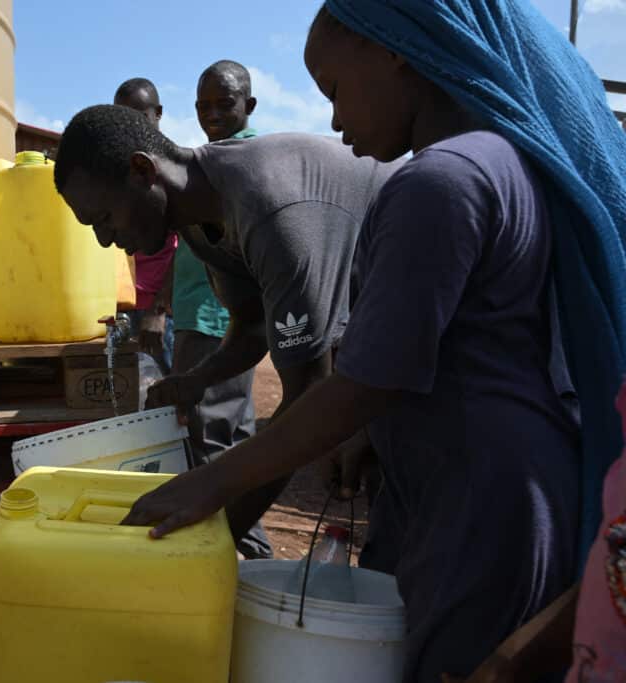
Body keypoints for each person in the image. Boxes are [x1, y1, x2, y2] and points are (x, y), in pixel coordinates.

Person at [123, 0, 626, 677]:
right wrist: (367, 435)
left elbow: (362, 384)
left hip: (475, 507)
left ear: (396, 50)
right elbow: (451, 348)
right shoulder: (493, 161)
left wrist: (211, 483)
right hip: (478, 490)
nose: (333, 118)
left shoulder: (440, 182)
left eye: (334, 89)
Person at [53, 104, 399, 549]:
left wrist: (209, 520)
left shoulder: (271, 207)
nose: (104, 239)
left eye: (104, 218)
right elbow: (253, 327)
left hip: (449, 333)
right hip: (385, 348)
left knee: (419, 533)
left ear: (142, 171)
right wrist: (198, 380)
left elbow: (309, 395)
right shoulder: (198, 217)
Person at [172, 59, 263, 558]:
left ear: (249, 105)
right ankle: (245, 551)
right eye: (203, 106)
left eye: (224, 104)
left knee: (211, 439)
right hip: (201, 315)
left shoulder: (242, 163)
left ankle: (244, 554)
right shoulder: (211, 159)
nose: (212, 114)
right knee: (231, 432)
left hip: (219, 322)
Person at [113, 78, 177, 373]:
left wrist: (158, 311)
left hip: (160, 314)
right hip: (119, 310)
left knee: (171, 401)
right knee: (130, 399)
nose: (129, 125)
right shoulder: (117, 169)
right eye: (121, 116)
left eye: (138, 116)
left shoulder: (174, 166)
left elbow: (186, 247)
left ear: (158, 113)